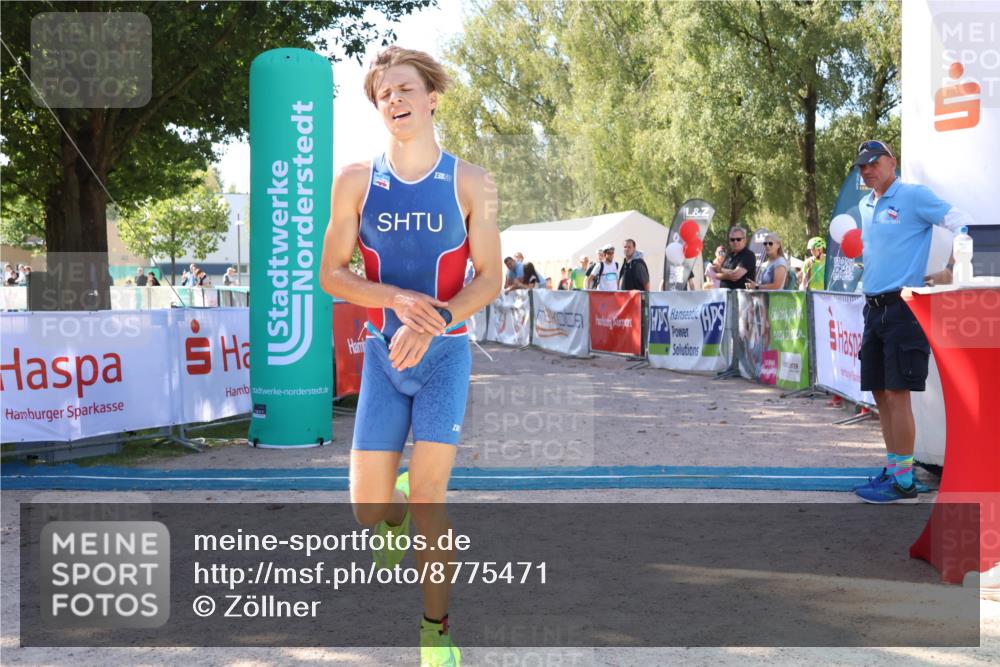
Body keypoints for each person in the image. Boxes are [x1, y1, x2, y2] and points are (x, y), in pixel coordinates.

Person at [318, 45, 501, 666]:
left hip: (445, 357)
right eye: (383, 94)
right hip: (381, 356)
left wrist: (438, 318)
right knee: (370, 510)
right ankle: (387, 508)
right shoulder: (355, 181)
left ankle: (436, 631)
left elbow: (491, 276)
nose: (394, 100)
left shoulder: (471, 182)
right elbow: (332, 275)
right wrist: (395, 298)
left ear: (431, 98)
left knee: (430, 501)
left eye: (404, 89)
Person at [849, 140, 971, 504]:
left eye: (873, 162)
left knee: (898, 394)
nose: (867, 170)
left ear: (892, 162)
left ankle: (904, 483)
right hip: (872, 309)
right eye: (861, 166)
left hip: (904, 307)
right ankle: (895, 469)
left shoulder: (914, 196)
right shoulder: (864, 204)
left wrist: (952, 269)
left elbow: (962, 223)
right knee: (880, 394)